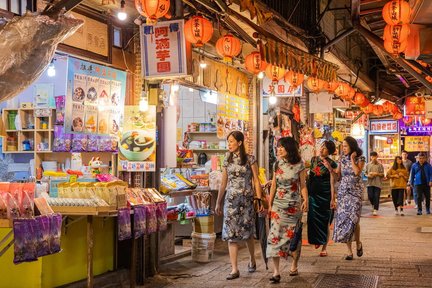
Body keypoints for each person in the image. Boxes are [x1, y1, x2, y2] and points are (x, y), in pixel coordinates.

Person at [215, 131, 264, 280]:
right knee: (231, 235)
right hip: (231, 202)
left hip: (247, 201)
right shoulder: (227, 160)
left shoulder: (250, 159)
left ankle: (252, 259)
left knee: (248, 233)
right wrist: (218, 201)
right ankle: (234, 269)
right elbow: (224, 183)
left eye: (231, 141)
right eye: (228, 141)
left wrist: (259, 198)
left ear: (240, 143)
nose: (229, 144)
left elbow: (256, 180)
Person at [267, 137, 308, 284]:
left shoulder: (300, 165)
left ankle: (294, 264)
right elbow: (273, 185)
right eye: (278, 147)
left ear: (289, 149)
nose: (278, 149)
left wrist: (306, 200)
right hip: (278, 206)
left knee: (293, 238)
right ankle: (276, 272)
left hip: (293, 206)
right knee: (274, 237)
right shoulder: (277, 164)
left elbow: (302, 185)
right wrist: (269, 204)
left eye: (281, 147)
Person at [333, 136, 365, 261]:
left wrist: (352, 159)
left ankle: (358, 243)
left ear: (352, 146)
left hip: (355, 193)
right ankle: (349, 252)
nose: (343, 148)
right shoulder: (341, 158)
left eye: (345, 146)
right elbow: (338, 175)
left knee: (354, 220)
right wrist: (330, 169)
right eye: (343, 146)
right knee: (344, 220)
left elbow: (357, 172)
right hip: (343, 192)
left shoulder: (360, 158)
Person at [307, 140, 337, 257]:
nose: (321, 149)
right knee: (313, 219)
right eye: (321, 147)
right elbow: (310, 175)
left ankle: (324, 246)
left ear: (329, 151)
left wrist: (332, 199)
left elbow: (332, 182)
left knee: (325, 221)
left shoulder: (332, 163)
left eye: (324, 148)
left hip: (325, 195)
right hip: (313, 194)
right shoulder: (313, 159)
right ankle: (317, 240)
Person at [365, 151, 384, 216]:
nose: (374, 158)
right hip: (369, 183)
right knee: (370, 196)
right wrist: (368, 175)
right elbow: (365, 173)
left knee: (376, 196)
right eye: (372, 157)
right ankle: (373, 204)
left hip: (378, 183)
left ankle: (375, 209)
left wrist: (377, 174)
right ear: (370, 157)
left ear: (377, 157)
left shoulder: (380, 165)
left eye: (375, 156)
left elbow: (383, 174)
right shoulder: (367, 165)